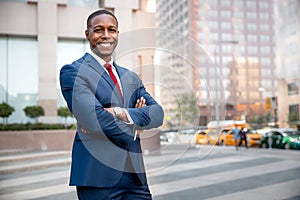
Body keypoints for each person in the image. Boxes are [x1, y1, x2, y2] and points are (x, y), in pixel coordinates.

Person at [60, 9, 164, 200]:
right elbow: (94, 120)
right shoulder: (73, 72)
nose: (106, 35)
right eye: (99, 30)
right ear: (88, 34)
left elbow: (157, 114)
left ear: (117, 34)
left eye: (112, 30)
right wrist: (135, 126)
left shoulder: (130, 77)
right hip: (98, 177)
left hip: (135, 177)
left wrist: (120, 112)